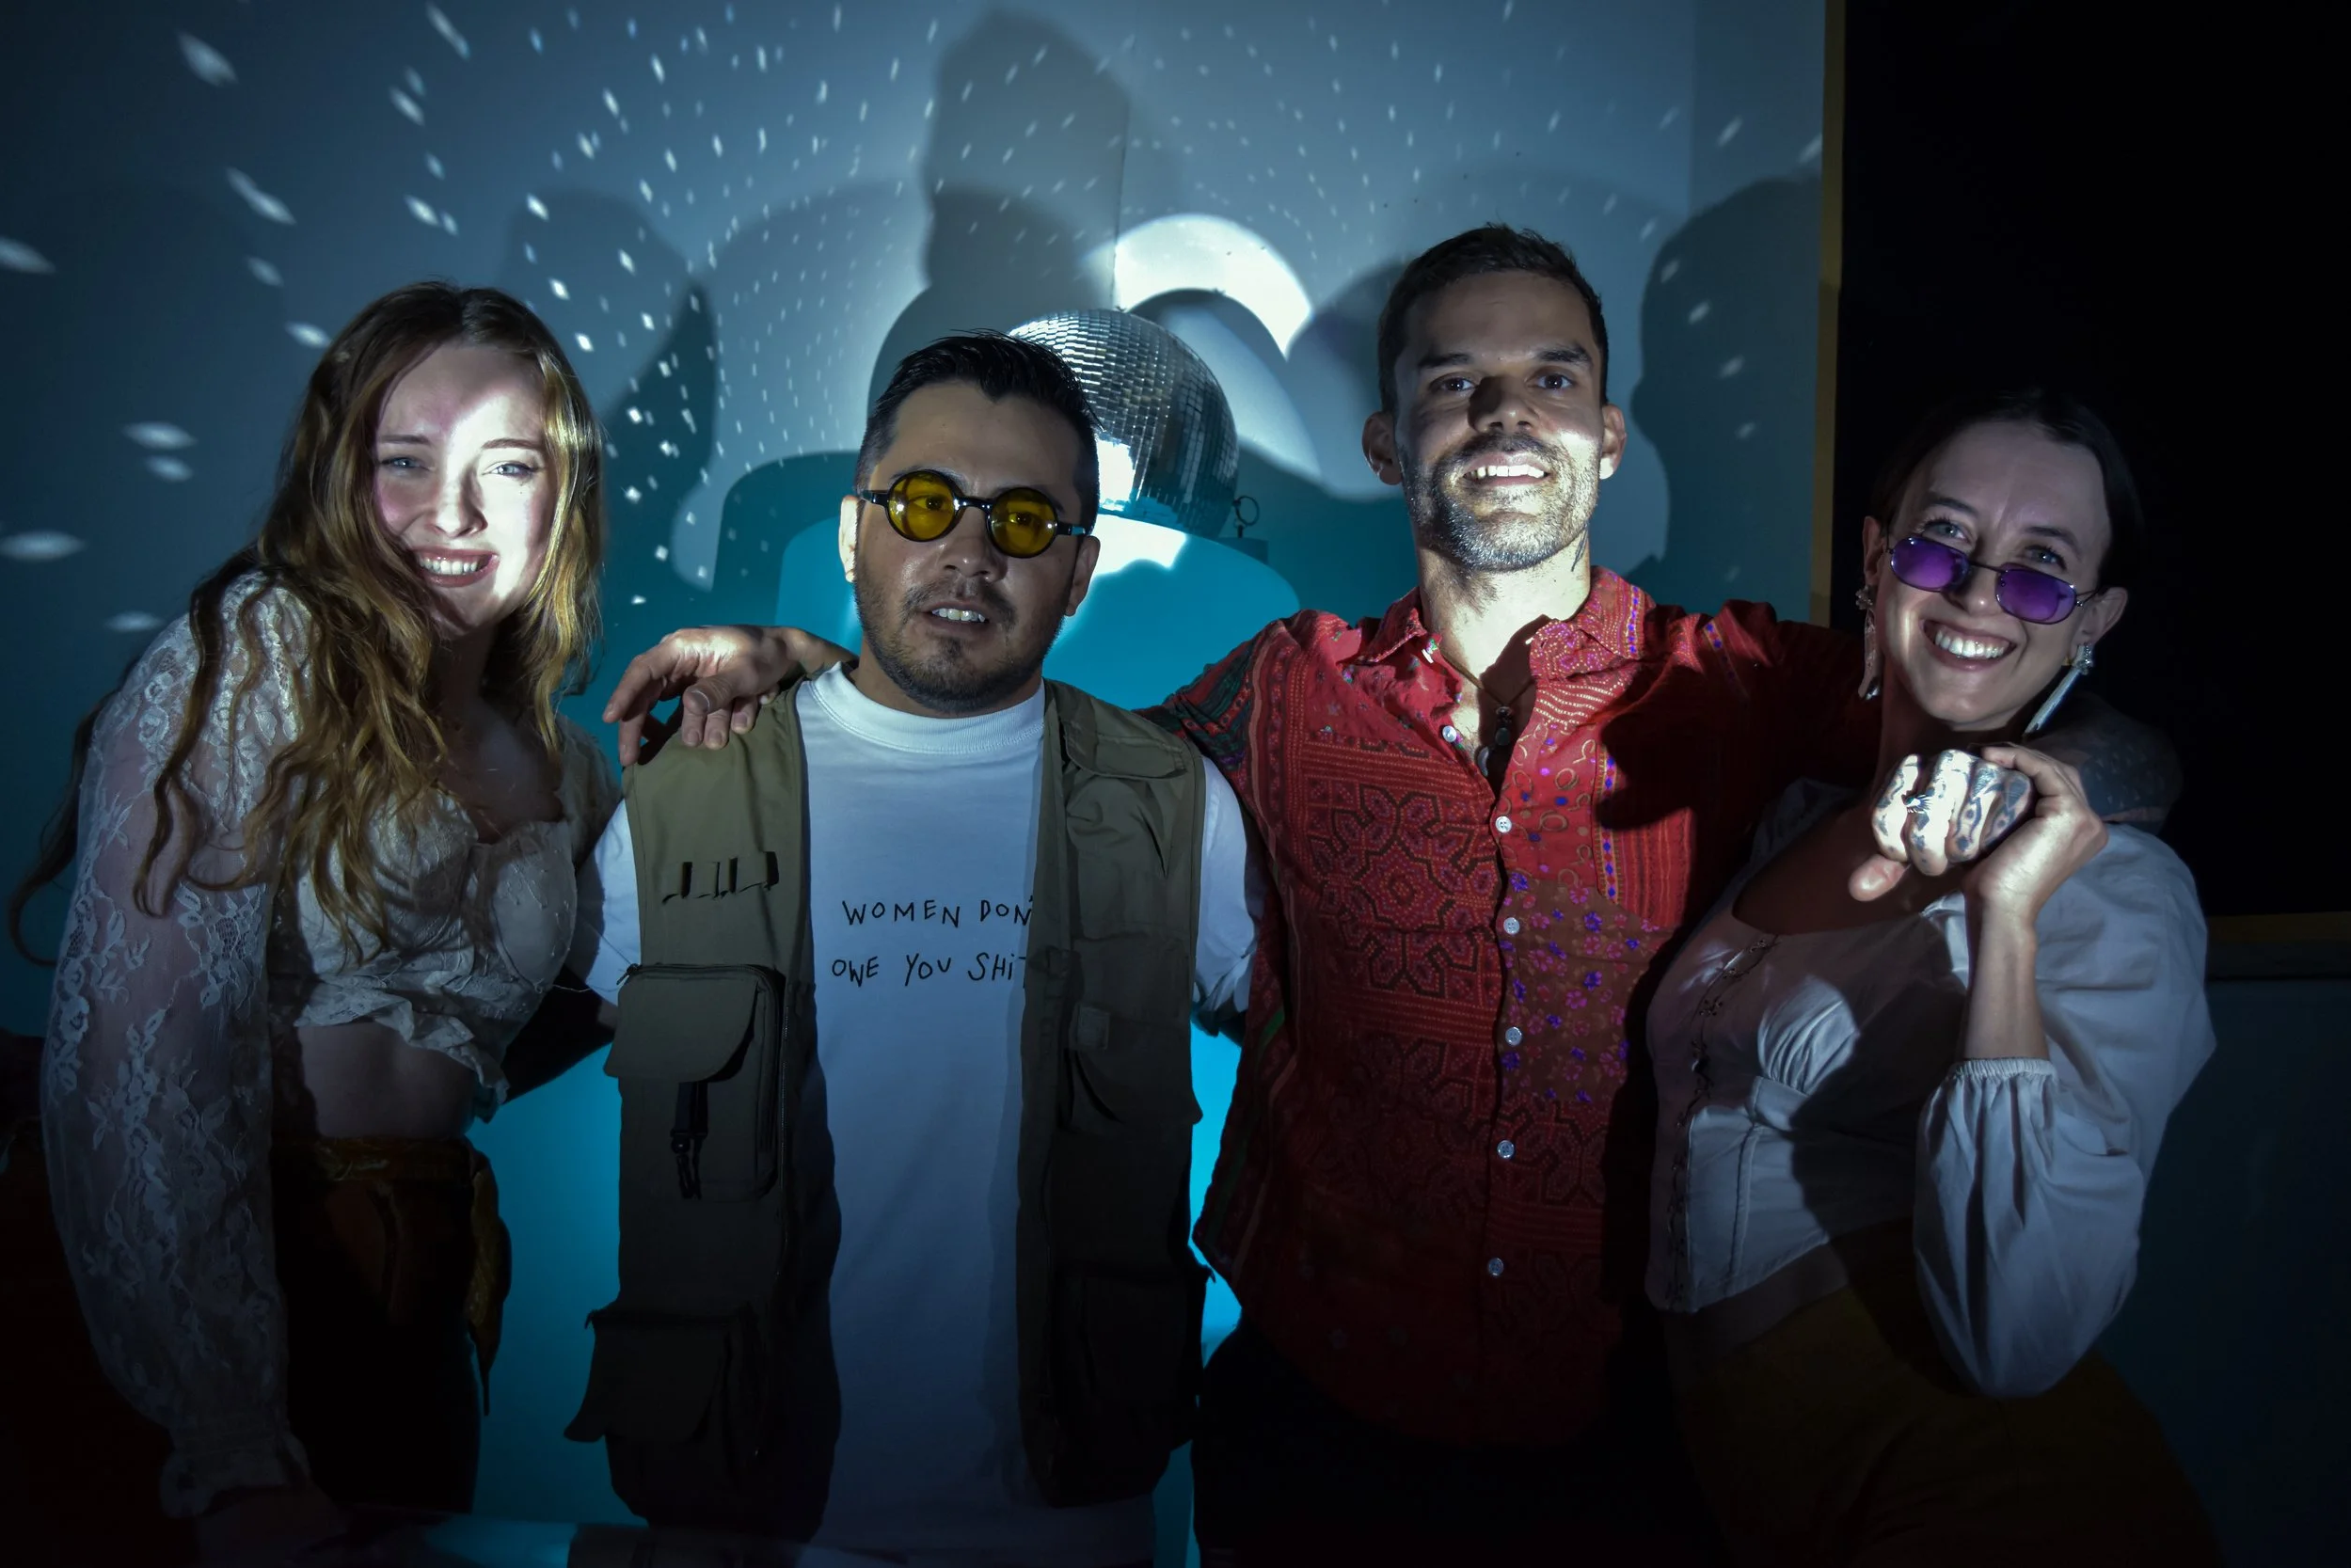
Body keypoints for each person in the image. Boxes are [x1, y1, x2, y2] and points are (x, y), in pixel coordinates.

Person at [606, 227, 2172, 1561]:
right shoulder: (1279, 694)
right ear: (1384, 443)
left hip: (1621, 1447)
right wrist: (824, 668)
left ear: (1608, 435)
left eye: (1553, 377)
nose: (1507, 415)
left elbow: (1995, 687)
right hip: (1318, 1440)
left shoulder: (1750, 682)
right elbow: (1018, 755)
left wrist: (2081, 783)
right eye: (1455, 383)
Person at [563, 331, 1254, 1566]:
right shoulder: (688, 793)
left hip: (1069, 1523)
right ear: (854, 528)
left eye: (1027, 520)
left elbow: (1324, 1057)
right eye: (927, 501)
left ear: (1081, 568)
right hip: (739, 1515)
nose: (970, 553)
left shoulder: (1175, 804)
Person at [13, 282, 617, 1561]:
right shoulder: (253, 655)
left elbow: (559, 1012)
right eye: (406, 462)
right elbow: (145, 1064)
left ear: (563, 495)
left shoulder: (565, 757)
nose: (453, 516)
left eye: (506, 467)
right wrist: (226, 1439)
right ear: (341, 475)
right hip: (220, 1304)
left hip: (421, 1300)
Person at [1644, 390, 2218, 1563]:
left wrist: (2004, 918)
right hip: (1748, 1495)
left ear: (2093, 616)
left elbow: (2015, 1337)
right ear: (1874, 556)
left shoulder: (2118, 894)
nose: (1974, 592)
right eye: (1941, 537)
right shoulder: (1795, 812)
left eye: (2041, 569)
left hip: (1987, 1497)